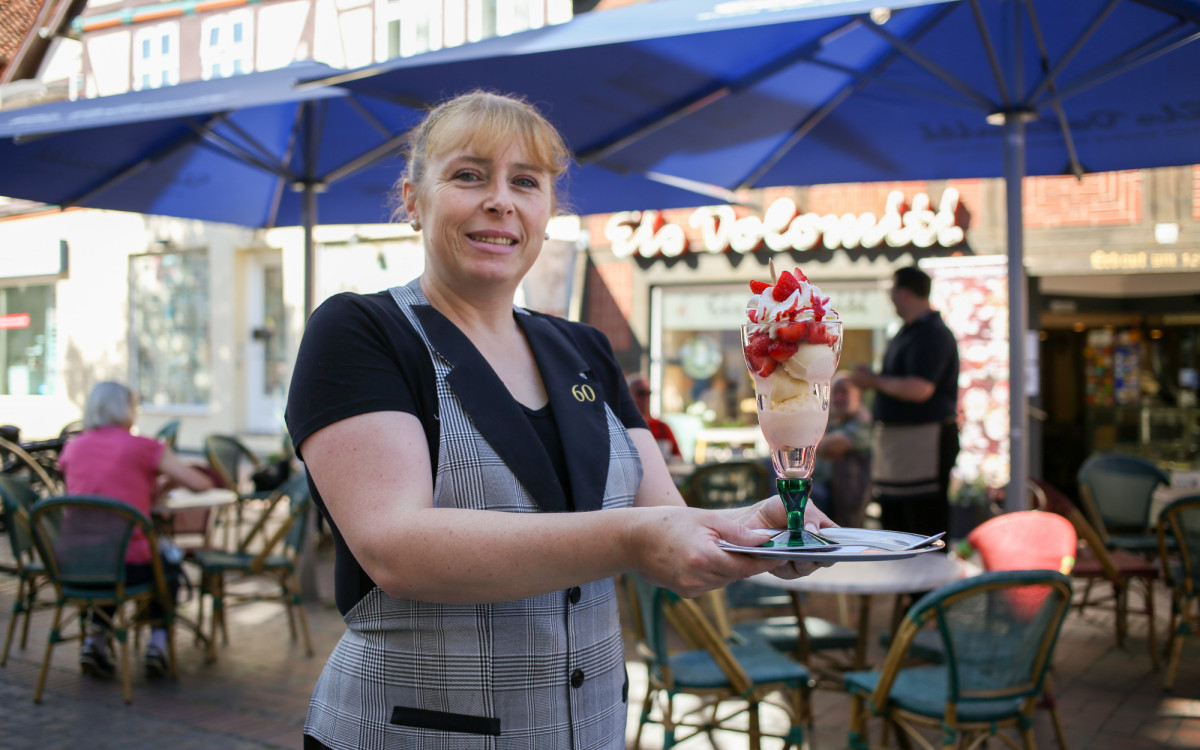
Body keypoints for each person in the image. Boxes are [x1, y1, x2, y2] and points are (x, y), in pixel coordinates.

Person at [285, 90, 834, 749]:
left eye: (526, 182)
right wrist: (635, 538)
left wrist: (753, 533)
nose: (500, 200)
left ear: (548, 212)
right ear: (413, 199)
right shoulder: (361, 331)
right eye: (469, 175)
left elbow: (663, 516)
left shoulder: (585, 349)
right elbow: (395, 550)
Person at [57, 381, 214, 679]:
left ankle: (96, 639)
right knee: (165, 564)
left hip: (74, 563)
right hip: (128, 566)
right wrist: (166, 482)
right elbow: (200, 483)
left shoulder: (72, 447)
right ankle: (157, 644)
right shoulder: (143, 447)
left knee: (111, 560)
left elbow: (98, 494)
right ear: (126, 408)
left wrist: (150, 489)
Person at [851, 265, 960, 538]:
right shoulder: (908, 332)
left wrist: (873, 380)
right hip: (901, 447)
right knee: (896, 525)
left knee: (923, 527)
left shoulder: (932, 333)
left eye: (892, 290)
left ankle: (929, 570)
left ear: (905, 293)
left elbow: (920, 389)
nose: (890, 297)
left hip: (922, 445)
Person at [811, 372, 872, 527]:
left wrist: (811, 444)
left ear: (858, 395)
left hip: (844, 497)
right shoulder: (832, 421)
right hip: (824, 488)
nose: (838, 398)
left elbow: (834, 445)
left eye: (844, 392)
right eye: (835, 393)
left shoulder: (862, 419)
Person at [627, 373, 681, 461]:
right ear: (629, 395)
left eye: (648, 393)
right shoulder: (622, 427)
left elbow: (678, 458)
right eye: (641, 393)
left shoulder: (662, 427)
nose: (646, 397)